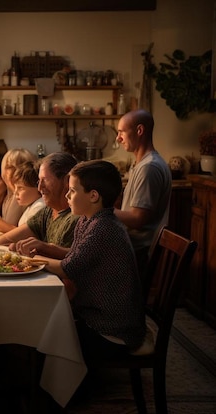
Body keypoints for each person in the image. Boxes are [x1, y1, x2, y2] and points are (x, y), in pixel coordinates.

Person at [41, 160, 146, 362]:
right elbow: (76, 256)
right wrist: (45, 250)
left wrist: (29, 261)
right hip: (96, 316)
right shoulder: (88, 220)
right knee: (44, 324)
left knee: (42, 334)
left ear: (93, 196)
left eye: (72, 191)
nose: (67, 196)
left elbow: (68, 268)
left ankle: (60, 390)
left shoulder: (104, 228)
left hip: (113, 329)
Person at [114, 109, 172, 277]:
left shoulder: (149, 168)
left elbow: (138, 219)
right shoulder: (141, 164)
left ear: (139, 131)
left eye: (122, 132)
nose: (118, 138)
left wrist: (102, 210)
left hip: (138, 252)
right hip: (133, 249)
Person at [0, 152, 79, 260]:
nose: (40, 187)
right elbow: (5, 240)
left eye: (45, 180)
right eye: (39, 181)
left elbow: (71, 263)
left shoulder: (76, 217)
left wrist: (43, 249)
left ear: (66, 181)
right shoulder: (47, 212)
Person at [11, 160, 46, 226]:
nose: (15, 192)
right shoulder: (31, 206)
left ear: (38, 187)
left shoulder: (39, 207)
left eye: (20, 188)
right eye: (15, 187)